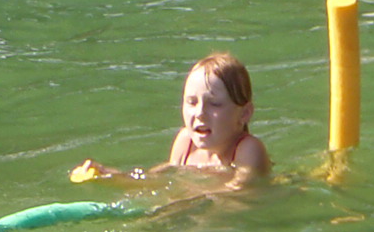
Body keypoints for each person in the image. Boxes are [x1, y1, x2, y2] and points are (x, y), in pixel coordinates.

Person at [74, 52, 271, 189]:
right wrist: (110, 175)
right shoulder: (186, 142)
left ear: (244, 114)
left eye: (215, 104)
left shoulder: (248, 149)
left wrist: (187, 205)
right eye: (192, 102)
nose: (200, 113)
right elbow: (154, 179)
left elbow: (237, 193)